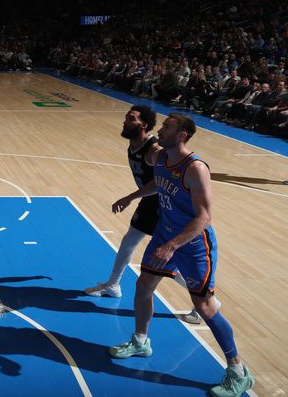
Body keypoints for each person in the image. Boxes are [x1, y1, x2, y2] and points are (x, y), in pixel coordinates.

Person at [109, 113, 254, 397]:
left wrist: (172, 245)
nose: (161, 130)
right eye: (161, 126)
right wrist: (132, 196)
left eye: (167, 127)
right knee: (143, 287)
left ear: (183, 135)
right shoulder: (161, 158)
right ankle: (141, 341)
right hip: (165, 233)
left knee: (205, 307)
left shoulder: (195, 168)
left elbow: (204, 217)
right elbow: (158, 183)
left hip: (192, 243)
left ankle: (238, 371)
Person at [85, 106, 205, 324]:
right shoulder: (134, 145)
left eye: (131, 119)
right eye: (126, 117)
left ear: (144, 126)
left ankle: (205, 299)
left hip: (163, 206)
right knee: (129, 242)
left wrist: (130, 196)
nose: (125, 121)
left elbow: (160, 180)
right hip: (150, 203)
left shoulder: (153, 150)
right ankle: (113, 284)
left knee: (167, 262)